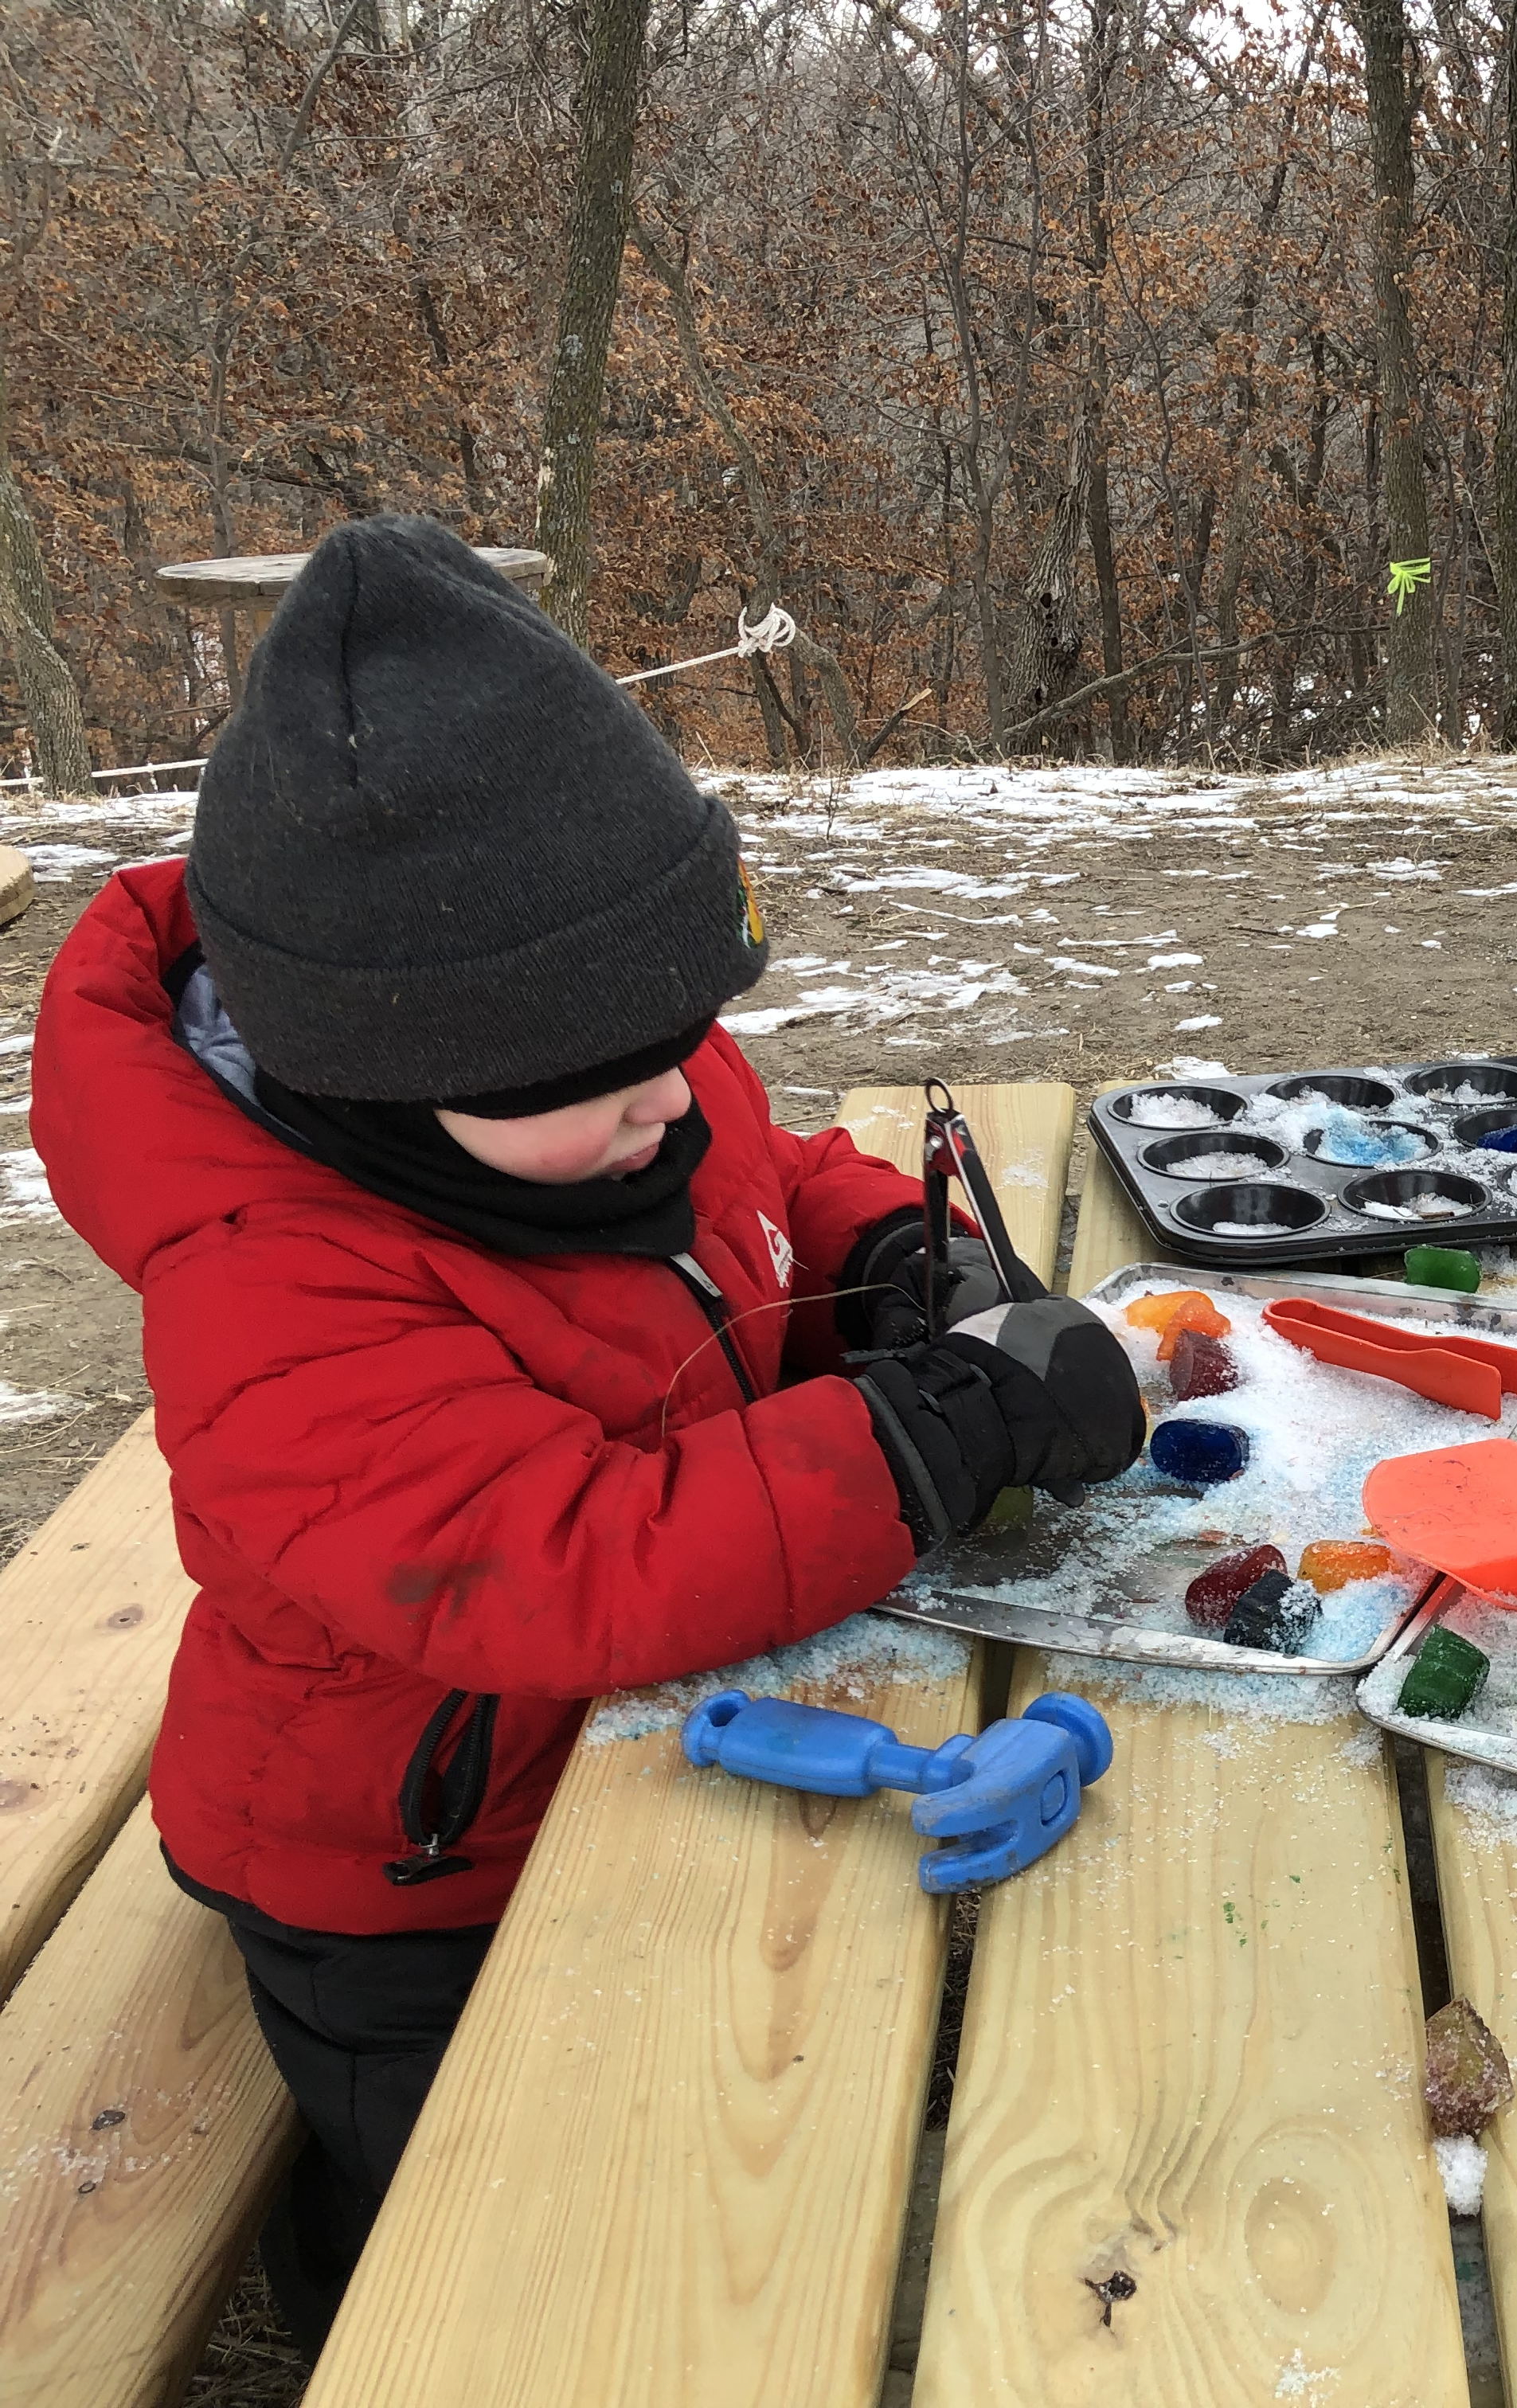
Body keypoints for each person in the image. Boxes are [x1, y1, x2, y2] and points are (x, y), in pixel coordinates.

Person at [30, 517, 1142, 2345]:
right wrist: (929, 1439)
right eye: (609, 1094)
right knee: (485, 2221)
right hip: (398, 1863)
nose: (665, 1107)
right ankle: (363, 2303)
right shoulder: (276, 1295)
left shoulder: (593, 1055)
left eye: (681, 1045)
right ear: (380, 1072)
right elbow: (569, 1562)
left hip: (621, 1747)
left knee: (711, 2064)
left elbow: (759, 1173)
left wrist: (895, 1263)